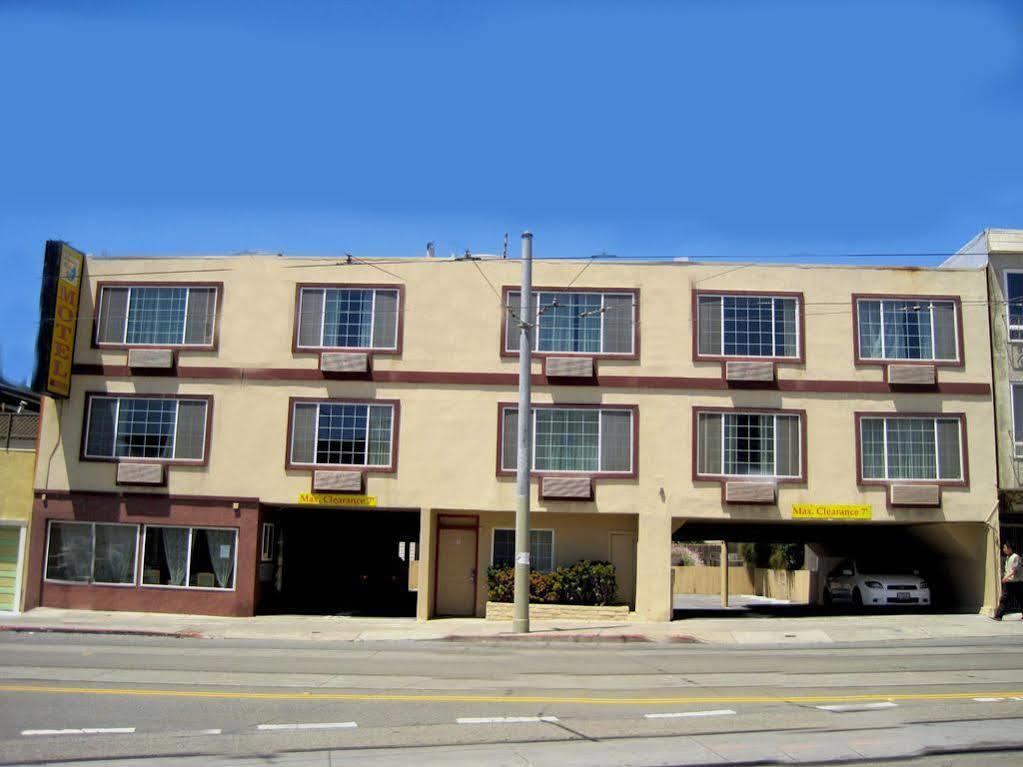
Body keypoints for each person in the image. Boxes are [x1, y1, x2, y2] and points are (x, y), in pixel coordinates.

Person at [993, 541, 1023, 621]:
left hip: (1016, 583)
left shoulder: (1016, 557)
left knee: (1016, 599)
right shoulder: (1007, 557)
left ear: (1009, 548)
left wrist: (1006, 578)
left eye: (1004, 548)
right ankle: (998, 616)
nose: (1003, 549)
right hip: (1010, 582)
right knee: (1005, 599)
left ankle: (998, 616)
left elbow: (1015, 571)